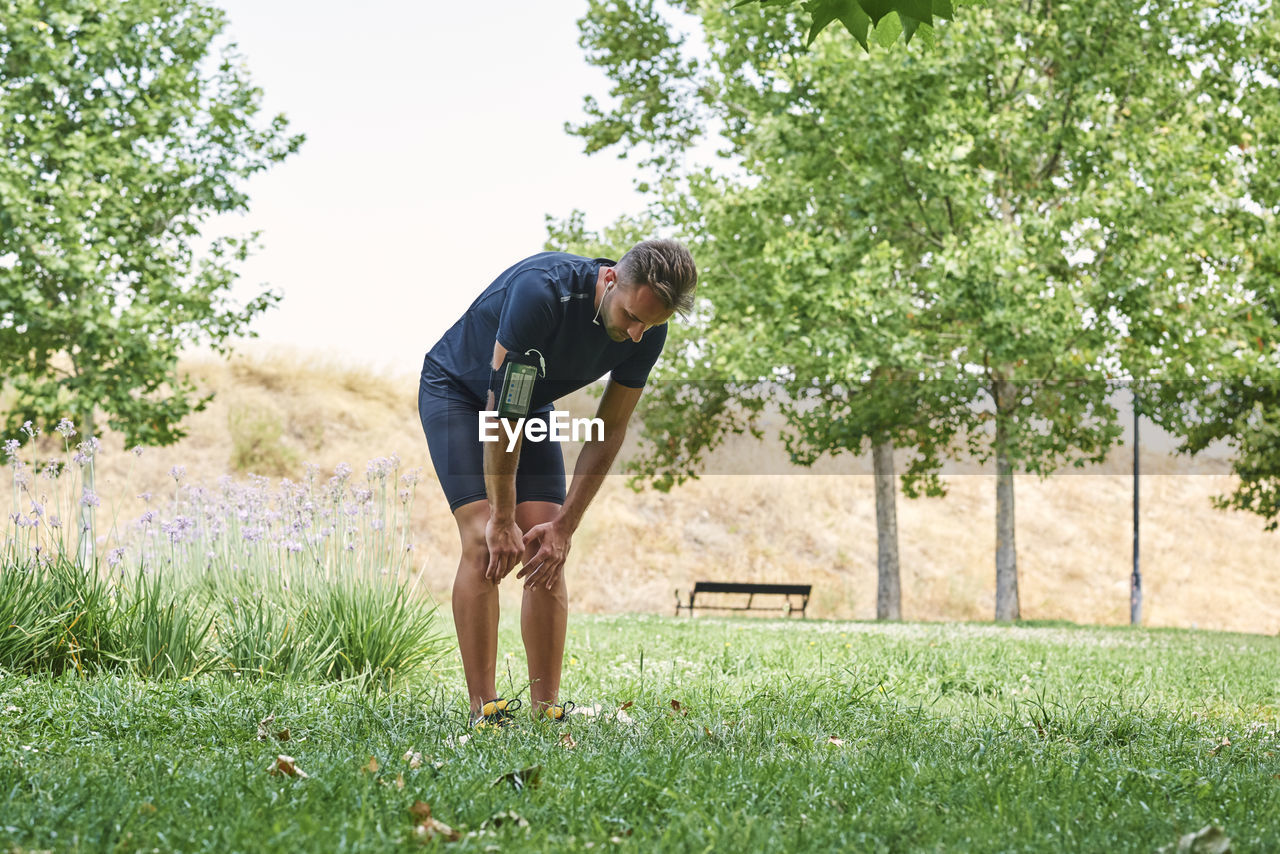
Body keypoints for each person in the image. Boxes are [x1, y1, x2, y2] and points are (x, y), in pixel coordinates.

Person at [418, 240, 698, 727]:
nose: (635, 335)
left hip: (529, 402)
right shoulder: (541, 294)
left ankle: (546, 708)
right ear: (610, 280)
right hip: (458, 393)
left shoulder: (648, 330)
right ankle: (485, 709)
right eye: (632, 316)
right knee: (485, 540)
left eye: (649, 325)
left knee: (545, 544)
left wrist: (565, 525)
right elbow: (501, 414)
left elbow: (609, 429)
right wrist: (502, 518)